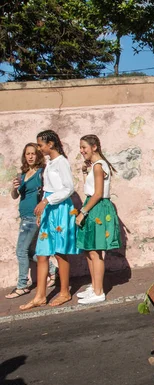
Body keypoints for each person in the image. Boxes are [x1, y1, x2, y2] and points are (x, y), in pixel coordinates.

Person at [20, 130, 80, 310]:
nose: (39, 148)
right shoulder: (50, 162)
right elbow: (48, 188)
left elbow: (68, 188)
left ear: (50, 144)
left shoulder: (61, 162)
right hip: (48, 210)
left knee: (60, 251)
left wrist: (47, 201)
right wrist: (42, 209)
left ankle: (64, 291)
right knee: (43, 251)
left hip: (60, 209)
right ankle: (40, 295)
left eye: (40, 145)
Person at [74, 135, 122, 304]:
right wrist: (85, 172)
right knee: (89, 249)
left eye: (84, 147)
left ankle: (98, 291)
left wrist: (83, 212)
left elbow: (98, 193)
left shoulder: (99, 166)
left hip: (97, 207)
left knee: (95, 251)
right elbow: (91, 189)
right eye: (80, 147)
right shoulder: (95, 166)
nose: (81, 150)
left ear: (94, 147)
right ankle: (95, 286)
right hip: (93, 205)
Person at [6, 144, 57, 299]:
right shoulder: (23, 174)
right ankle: (53, 270)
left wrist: (42, 213)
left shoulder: (42, 173)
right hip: (24, 217)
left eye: (33, 154)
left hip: (33, 217)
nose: (30, 157)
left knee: (20, 251)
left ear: (38, 155)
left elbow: (48, 192)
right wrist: (14, 188)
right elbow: (16, 196)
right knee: (28, 251)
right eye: (27, 154)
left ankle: (22, 285)